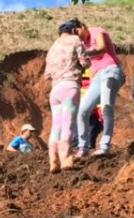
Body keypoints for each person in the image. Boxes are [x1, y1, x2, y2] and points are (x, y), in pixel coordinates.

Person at [74, 20, 123, 157]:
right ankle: (83, 147)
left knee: (106, 107)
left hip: (111, 71)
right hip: (97, 76)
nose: (77, 36)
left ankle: (104, 146)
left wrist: (85, 53)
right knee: (82, 111)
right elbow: (86, 63)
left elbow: (102, 48)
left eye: (77, 31)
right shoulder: (83, 43)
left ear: (82, 26)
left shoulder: (95, 30)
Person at [44, 20, 88, 172]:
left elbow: (47, 75)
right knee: (68, 124)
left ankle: (53, 160)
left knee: (56, 126)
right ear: (74, 30)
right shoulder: (75, 40)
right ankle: (66, 159)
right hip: (70, 86)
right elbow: (85, 62)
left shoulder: (53, 47)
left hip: (55, 90)